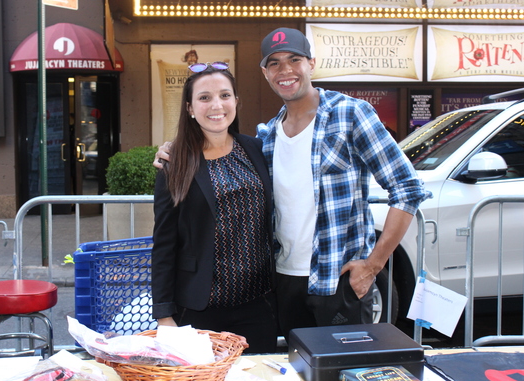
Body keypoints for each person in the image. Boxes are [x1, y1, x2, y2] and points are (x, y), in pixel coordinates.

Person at [155, 28, 431, 341]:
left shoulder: (350, 114)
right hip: (282, 284)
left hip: (337, 282)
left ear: (311, 63)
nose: (285, 70)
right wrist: (174, 149)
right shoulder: (267, 137)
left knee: (341, 380)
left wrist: (373, 265)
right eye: (274, 63)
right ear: (265, 72)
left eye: (294, 59)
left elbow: (407, 187)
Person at [151, 62, 278, 354]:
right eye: (204, 97)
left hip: (258, 305)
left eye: (224, 95)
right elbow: (164, 245)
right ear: (190, 108)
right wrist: (163, 314)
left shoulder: (257, 150)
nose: (216, 105)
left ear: (236, 102)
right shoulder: (175, 164)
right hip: (199, 309)